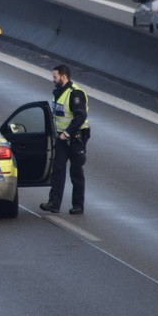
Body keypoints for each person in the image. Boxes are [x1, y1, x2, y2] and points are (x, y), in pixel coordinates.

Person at [40, 64, 90, 215]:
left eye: (55, 77)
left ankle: (78, 206)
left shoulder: (75, 94)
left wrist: (67, 133)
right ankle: (54, 203)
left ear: (63, 76)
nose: (53, 79)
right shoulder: (59, 92)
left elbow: (80, 116)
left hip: (75, 137)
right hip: (62, 137)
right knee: (58, 169)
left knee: (76, 172)